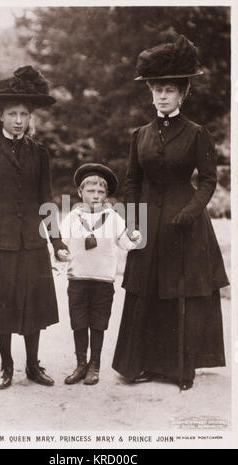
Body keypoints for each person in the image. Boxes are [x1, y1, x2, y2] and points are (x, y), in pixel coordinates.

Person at [112, 35, 229, 390]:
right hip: (148, 221)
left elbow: (208, 180)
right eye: (156, 90)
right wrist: (133, 221)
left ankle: (179, 368)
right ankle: (142, 364)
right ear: (150, 93)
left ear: (182, 94)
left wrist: (190, 213)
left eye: (169, 90)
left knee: (178, 292)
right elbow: (131, 180)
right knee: (146, 289)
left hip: (185, 224)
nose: (162, 96)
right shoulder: (140, 135)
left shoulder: (197, 134)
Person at [0, 65, 68, 389]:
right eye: (12, 114)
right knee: (2, 307)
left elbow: (46, 198)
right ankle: (7, 365)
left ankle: (33, 365)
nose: (19, 120)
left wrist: (57, 241)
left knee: (33, 306)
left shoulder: (40, 153)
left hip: (32, 242)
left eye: (24, 114)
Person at [58, 163, 142, 385]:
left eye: (100, 192)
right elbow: (60, 244)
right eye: (90, 191)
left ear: (106, 194)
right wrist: (61, 254)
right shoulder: (72, 218)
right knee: (78, 322)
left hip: (103, 280)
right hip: (77, 278)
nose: (95, 196)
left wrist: (134, 237)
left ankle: (94, 365)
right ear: (80, 192)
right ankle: (80, 364)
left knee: (98, 323)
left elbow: (125, 243)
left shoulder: (114, 217)